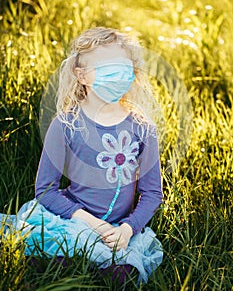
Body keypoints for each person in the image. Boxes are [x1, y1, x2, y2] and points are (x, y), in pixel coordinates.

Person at [1, 27, 163, 285]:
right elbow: (45, 189)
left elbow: (153, 192)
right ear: (82, 75)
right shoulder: (66, 125)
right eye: (107, 67)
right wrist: (91, 223)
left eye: (123, 67)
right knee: (53, 259)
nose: (117, 75)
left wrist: (128, 228)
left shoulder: (142, 127)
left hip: (121, 228)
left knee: (123, 275)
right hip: (74, 220)